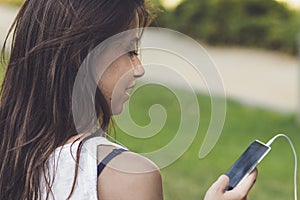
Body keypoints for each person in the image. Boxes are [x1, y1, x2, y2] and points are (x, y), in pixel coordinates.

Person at [0, 0, 257, 199]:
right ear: (83, 54)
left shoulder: (10, 150)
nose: (139, 68)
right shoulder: (126, 176)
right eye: (130, 50)